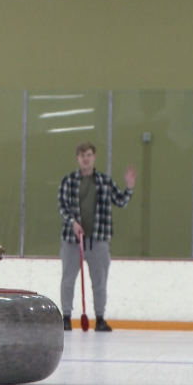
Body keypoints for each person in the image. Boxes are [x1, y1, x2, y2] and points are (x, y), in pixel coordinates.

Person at [57, 142, 136, 332]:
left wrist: (129, 187)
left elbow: (121, 201)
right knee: (68, 280)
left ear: (95, 157)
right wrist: (73, 223)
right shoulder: (68, 181)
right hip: (72, 241)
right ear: (78, 158)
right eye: (82, 155)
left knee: (100, 282)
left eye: (89, 155)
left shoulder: (104, 181)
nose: (86, 158)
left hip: (99, 240)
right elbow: (62, 206)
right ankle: (66, 317)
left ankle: (100, 318)